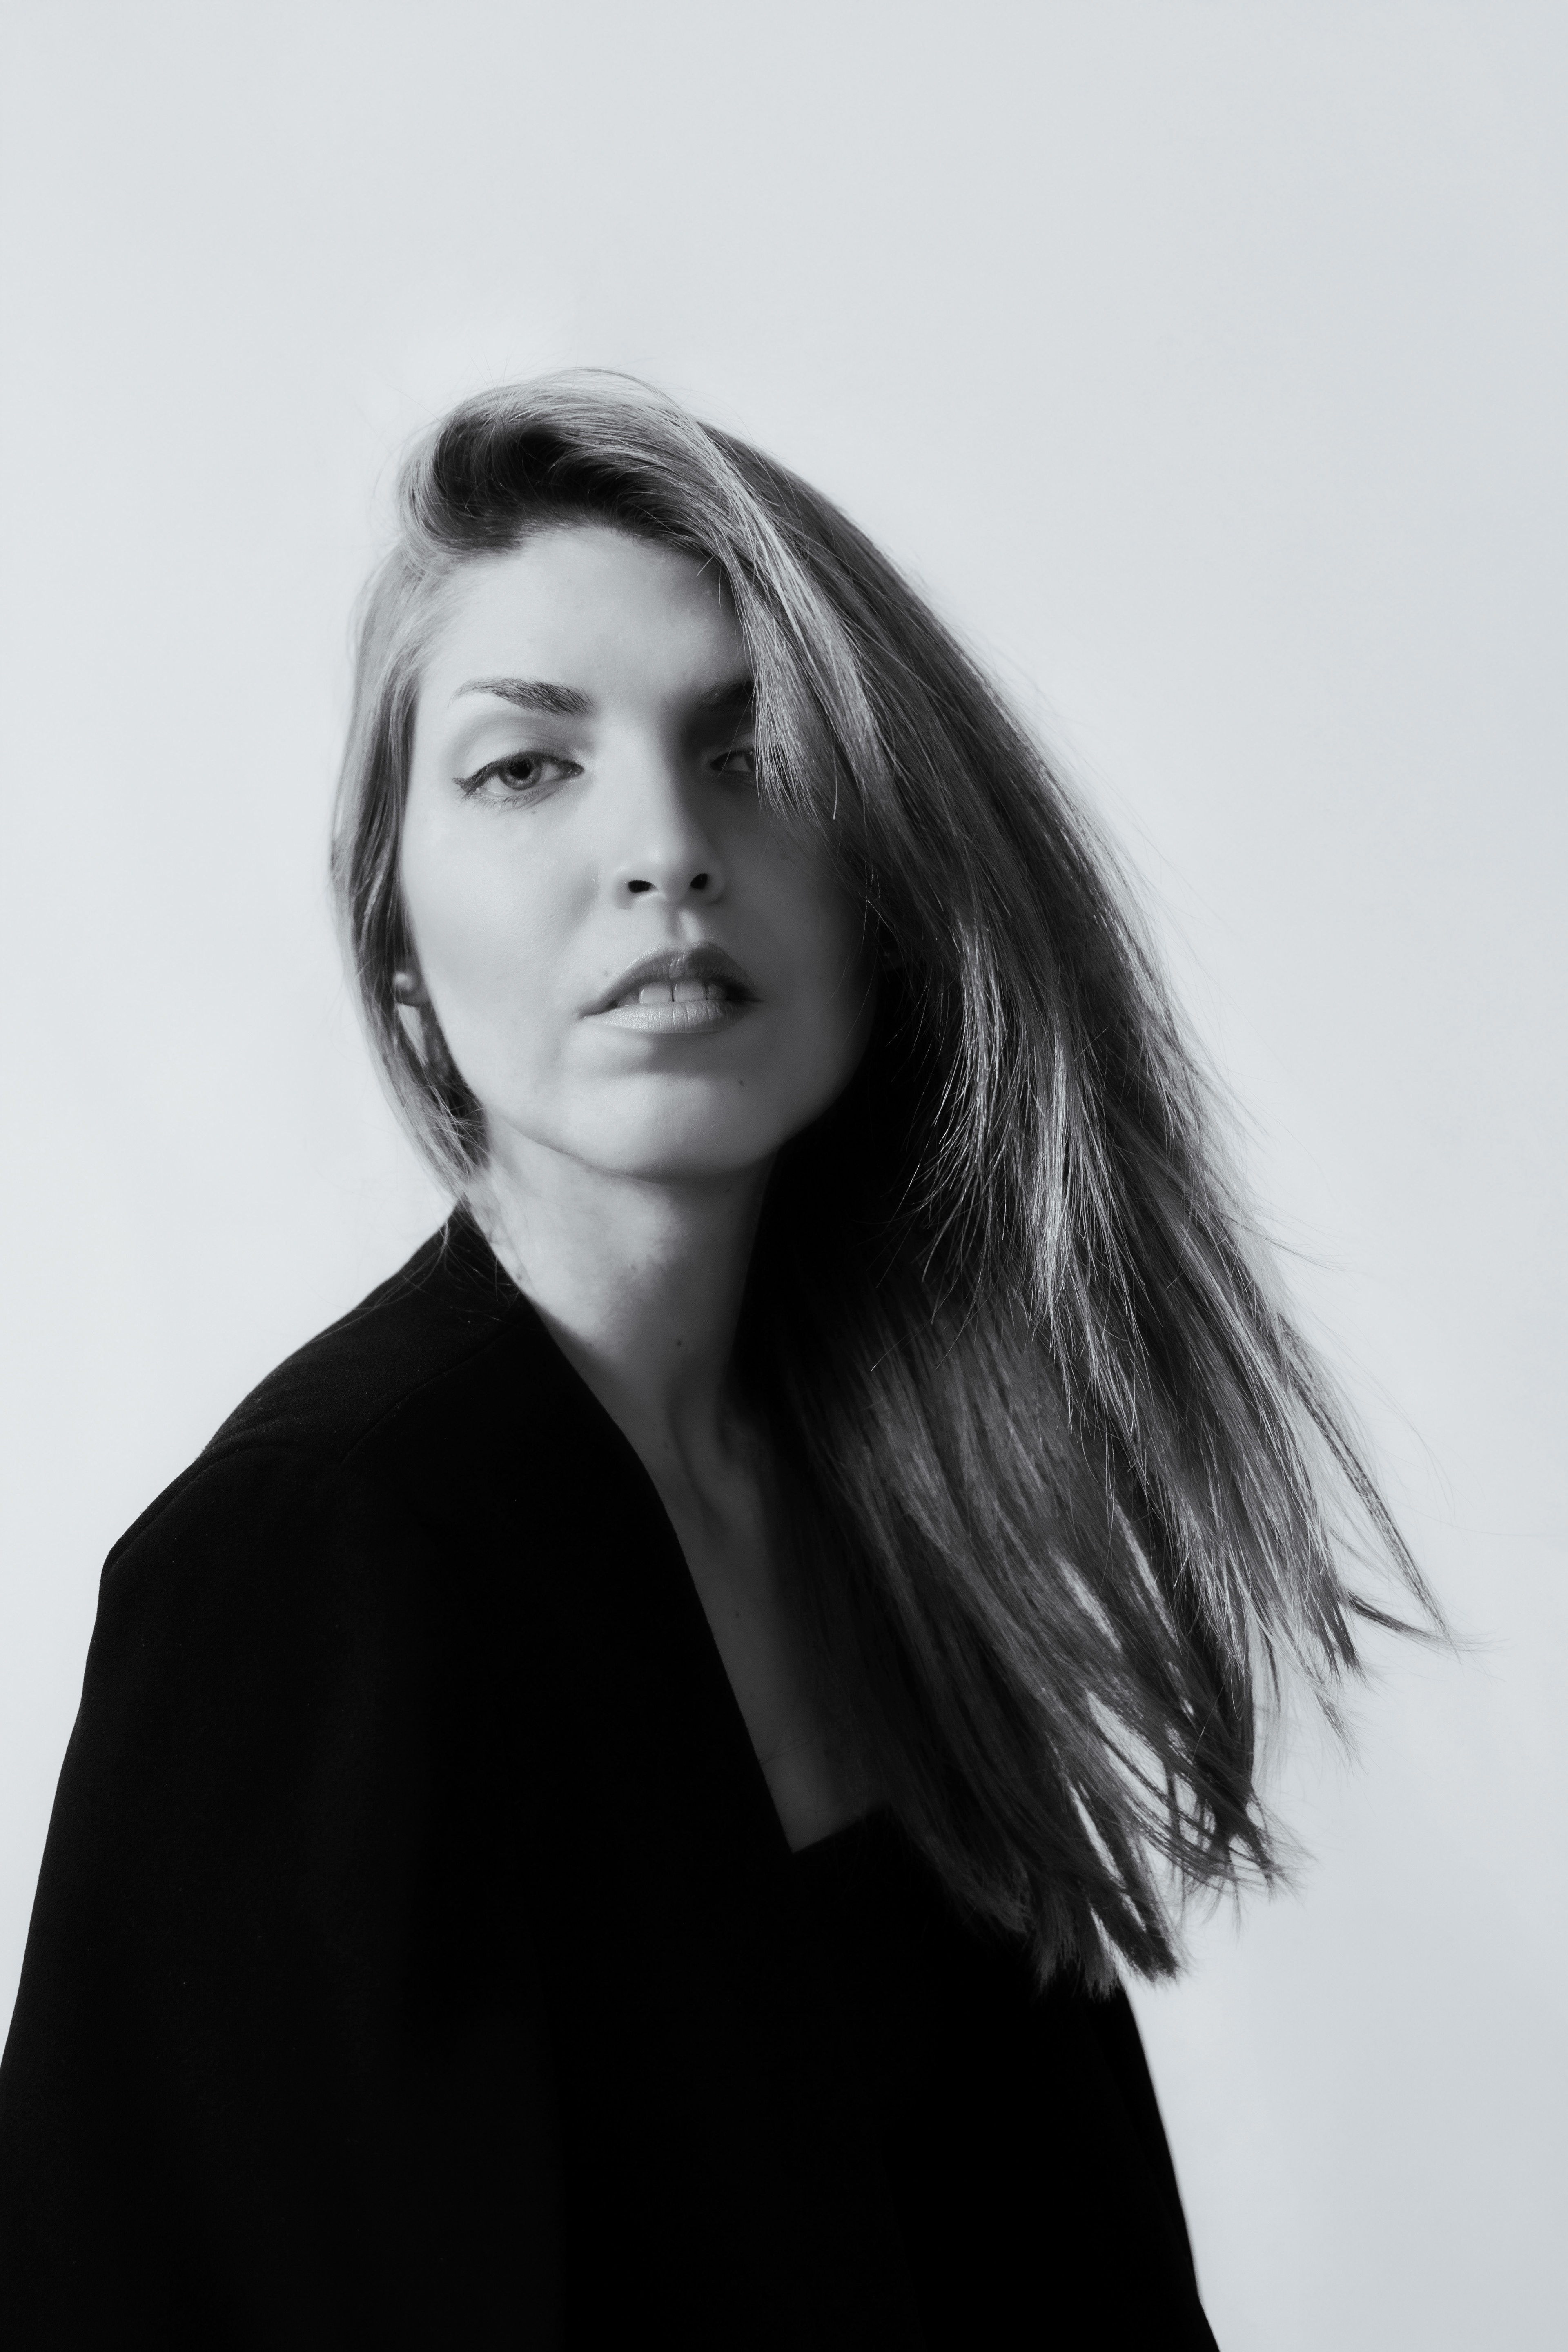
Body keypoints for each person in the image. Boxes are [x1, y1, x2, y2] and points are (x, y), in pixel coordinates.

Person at [0, 373, 1429, 2347]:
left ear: (889, 883)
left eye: (755, 752)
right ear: (394, 930)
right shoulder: (312, 1565)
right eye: (526, 768)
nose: (668, 848)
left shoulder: (893, 1491)